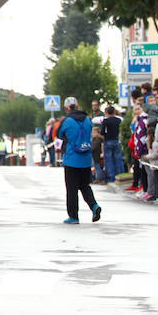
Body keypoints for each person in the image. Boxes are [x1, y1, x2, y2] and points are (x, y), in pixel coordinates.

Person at [57, 96, 102, 224]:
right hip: (86, 159)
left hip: (71, 159)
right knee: (85, 186)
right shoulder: (88, 120)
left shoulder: (67, 121)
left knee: (71, 189)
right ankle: (94, 206)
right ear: (77, 106)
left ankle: (74, 217)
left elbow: (59, 135)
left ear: (66, 108)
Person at [101, 105, 124, 182]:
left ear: (106, 112)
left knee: (109, 160)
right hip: (116, 140)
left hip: (108, 140)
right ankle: (119, 175)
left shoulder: (105, 121)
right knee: (118, 159)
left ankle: (111, 177)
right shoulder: (118, 120)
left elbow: (102, 132)